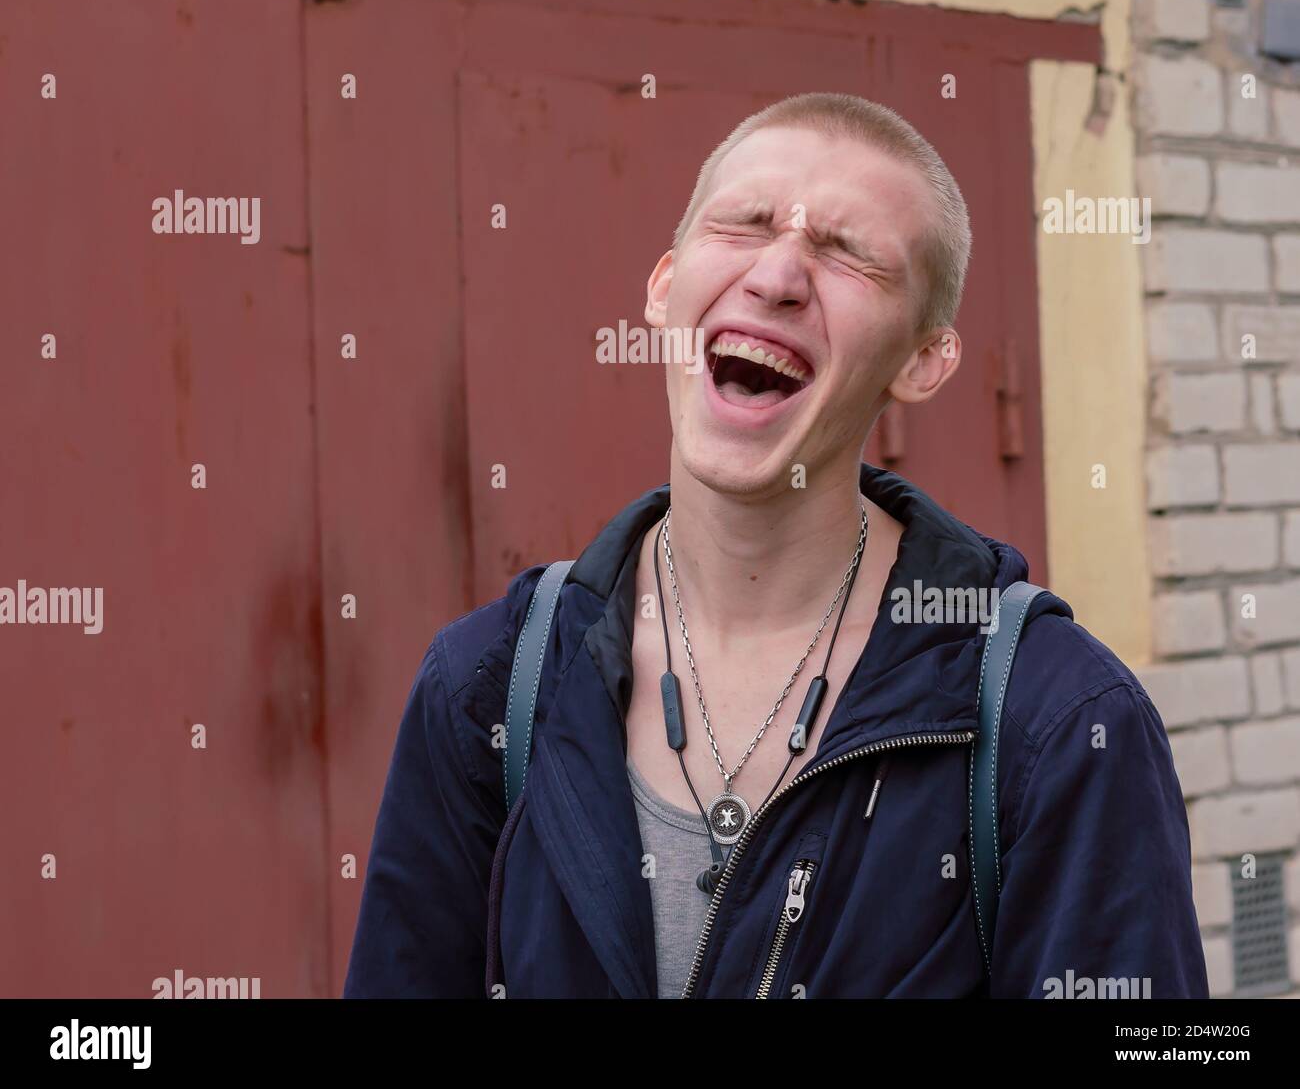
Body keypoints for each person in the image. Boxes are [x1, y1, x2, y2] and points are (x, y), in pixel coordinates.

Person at [343, 92, 1209, 999]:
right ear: (663, 286)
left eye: (849, 255)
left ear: (924, 360)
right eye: (745, 225)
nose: (777, 275)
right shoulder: (489, 688)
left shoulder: (1059, 723)